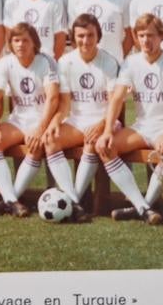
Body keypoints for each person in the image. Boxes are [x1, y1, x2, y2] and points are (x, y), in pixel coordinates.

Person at [95, 13, 163, 225]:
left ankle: (141, 207)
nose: (146, 40)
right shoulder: (130, 62)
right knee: (105, 147)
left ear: (161, 36)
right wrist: (107, 130)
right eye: (141, 35)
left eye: (151, 35)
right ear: (135, 37)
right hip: (143, 126)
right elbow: (117, 98)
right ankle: (143, 207)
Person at [43, 13, 122, 221]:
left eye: (90, 35)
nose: (85, 41)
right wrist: (54, 121)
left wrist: (103, 125)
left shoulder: (109, 62)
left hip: (105, 120)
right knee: (50, 140)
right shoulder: (65, 62)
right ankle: (73, 201)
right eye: (80, 36)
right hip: (77, 121)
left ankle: (71, 202)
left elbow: (115, 103)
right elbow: (65, 104)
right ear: (73, 37)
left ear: (98, 36)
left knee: (91, 144)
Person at [0, 23, 61, 217]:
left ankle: (9, 200)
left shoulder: (46, 61)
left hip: (42, 120)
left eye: (25, 40)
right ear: (10, 43)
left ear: (34, 42)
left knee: (35, 145)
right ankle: (11, 200)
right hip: (19, 120)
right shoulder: (5, 62)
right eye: (16, 40)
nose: (20, 45)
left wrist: (40, 129)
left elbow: (53, 98)